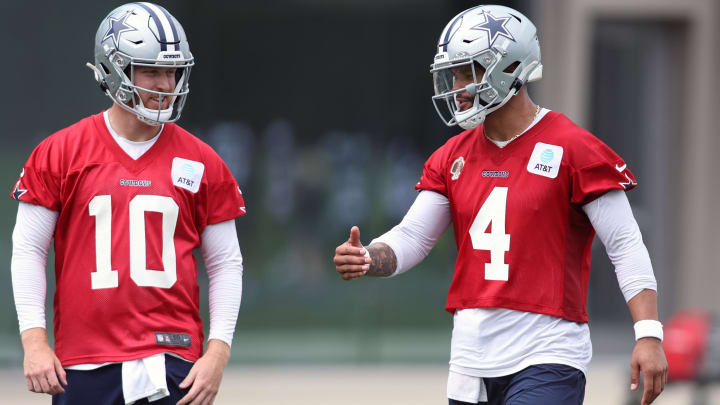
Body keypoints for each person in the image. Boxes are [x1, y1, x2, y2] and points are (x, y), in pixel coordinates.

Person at [333, 4, 667, 405]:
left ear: (509, 68)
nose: (455, 87)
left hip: (548, 352)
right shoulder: (451, 156)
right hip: (471, 357)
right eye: (452, 73)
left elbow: (625, 245)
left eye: (466, 72)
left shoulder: (575, 148)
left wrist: (648, 333)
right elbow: (414, 236)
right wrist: (370, 256)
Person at [10, 3, 246, 404]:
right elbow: (29, 249)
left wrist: (218, 352)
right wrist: (34, 340)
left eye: (172, 71)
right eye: (151, 70)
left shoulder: (203, 161)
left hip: (174, 358)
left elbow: (226, 263)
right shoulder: (60, 152)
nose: (165, 84)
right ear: (113, 68)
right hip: (84, 362)